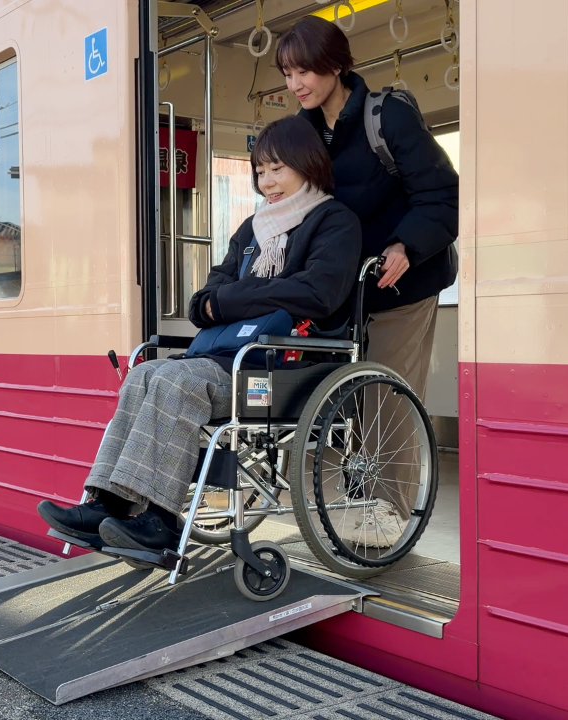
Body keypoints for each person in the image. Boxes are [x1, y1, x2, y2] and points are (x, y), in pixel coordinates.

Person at [37, 116, 362, 552]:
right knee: (142, 375)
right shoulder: (254, 229)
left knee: (176, 383)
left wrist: (231, 298)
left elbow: (316, 294)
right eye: (260, 171)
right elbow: (202, 300)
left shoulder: (335, 222)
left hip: (282, 365)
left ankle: (160, 521)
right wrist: (238, 298)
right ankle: (108, 503)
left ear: (307, 164)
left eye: (277, 169)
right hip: (228, 358)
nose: (267, 182)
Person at [276, 16, 459, 546]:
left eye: (305, 70)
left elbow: (442, 194)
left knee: (389, 391)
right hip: (343, 289)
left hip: (406, 281)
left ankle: (391, 510)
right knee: (341, 395)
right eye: (287, 74)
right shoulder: (302, 131)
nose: (296, 84)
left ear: (336, 64)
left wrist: (405, 244)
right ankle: (352, 498)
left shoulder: (388, 117)